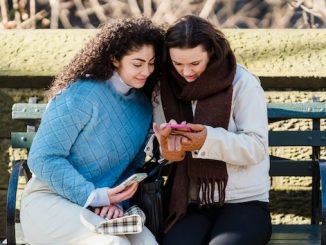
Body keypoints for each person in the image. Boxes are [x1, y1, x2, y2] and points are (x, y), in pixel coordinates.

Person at [20, 17, 164, 245]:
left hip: (102, 207)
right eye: (137, 64)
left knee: (147, 242)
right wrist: (94, 196)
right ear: (115, 59)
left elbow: (131, 168)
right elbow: (42, 157)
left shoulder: (143, 108)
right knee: (113, 243)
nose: (146, 71)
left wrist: (116, 203)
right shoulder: (80, 94)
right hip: (48, 201)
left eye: (152, 63)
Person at [151, 15, 272, 245]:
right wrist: (166, 152)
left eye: (195, 63)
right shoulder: (164, 87)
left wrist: (206, 141)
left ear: (211, 53)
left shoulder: (241, 82)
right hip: (190, 203)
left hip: (244, 201)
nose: (186, 72)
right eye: (178, 64)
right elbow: (156, 144)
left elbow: (256, 147)